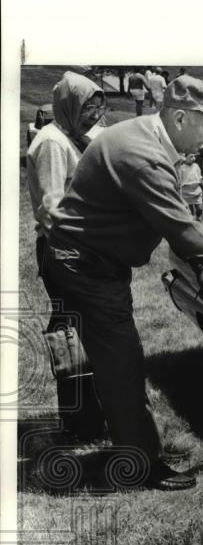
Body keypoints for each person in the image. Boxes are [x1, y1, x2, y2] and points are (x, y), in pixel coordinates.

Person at [42, 75, 203, 490]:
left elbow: (175, 223)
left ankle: (126, 442)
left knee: (112, 357)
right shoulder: (143, 155)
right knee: (123, 362)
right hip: (85, 264)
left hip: (87, 259)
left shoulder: (141, 137)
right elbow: (183, 230)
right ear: (180, 116)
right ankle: (138, 466)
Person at [26, 71, 107, 442]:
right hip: (64, 250)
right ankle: (81, 423)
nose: (94, 115)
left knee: (83, 333)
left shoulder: (73, 137)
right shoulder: (52, 144)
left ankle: (88, 419)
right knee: (73, 336)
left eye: (98, 108)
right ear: (69, 105)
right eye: (88, 107)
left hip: (79, 247)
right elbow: (51, 207)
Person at [179, 152, 203, 220]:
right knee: (189, 211)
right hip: (186, 191)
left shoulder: (196, 166)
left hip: (196, 189)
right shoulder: (182, 168)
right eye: (191, 157)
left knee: (200, 209)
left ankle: (196, 218)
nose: (193, 158)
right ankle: (193, 222)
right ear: (185, 158)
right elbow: (179, 180)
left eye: (194, 156)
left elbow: (200, 177)